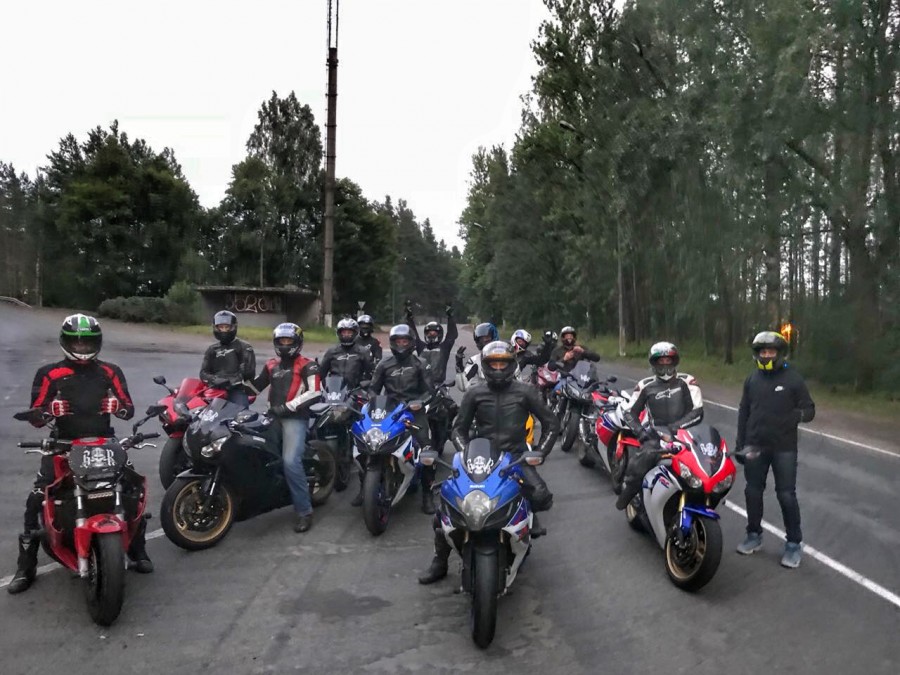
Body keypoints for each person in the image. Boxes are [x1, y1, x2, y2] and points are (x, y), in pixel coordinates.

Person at [8, 314, 151, 595]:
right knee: (38, 497)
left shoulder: (110, 371)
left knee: (132, 488)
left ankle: (138, 549)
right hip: (63, 444)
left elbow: (129, 408)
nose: (83, 348)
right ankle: (26, 566)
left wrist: (117, 407)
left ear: (97, 343)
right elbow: (35, 415)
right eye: (77, 343)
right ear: (66, 342)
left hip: (104, 443)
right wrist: (50, 411)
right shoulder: (49, 373)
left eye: (88, 343)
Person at [418, 341, 560, 585]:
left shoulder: (526, 392)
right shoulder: (475, 393)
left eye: (502, 363)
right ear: (485, 365)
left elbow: (551, 423)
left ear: (511, 364)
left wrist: (540, 452)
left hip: (515, 456)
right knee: (446, 506)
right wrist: (467, 456)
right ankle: (440, 561)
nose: (498, 368)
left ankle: (523, 526)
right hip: (481, 456)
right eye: (493, 364)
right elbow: (458, 430)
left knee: (540, 495)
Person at [734, 331, 815, 568]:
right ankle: (753, 535)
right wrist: (740, 443)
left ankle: (793, 544)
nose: (766, 355)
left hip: (784, 448)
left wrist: (795, 416)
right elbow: (743, 411)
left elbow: (810, 410)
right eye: (763, 351)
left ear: (779, 354)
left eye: (770, 351)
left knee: (786, 495)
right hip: (755, 444)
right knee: (752, 491)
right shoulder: (752, 379)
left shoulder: (793, 379)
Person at [615, 342, 704, 510]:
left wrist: (675, 428)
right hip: (656, 435)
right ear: (654, 363)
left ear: (674, 361)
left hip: (687, 434)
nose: (664, 364)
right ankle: (629, 494)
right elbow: (629, 412)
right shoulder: (645, 385)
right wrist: (641, 433)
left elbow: (697, 411)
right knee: (643, 460)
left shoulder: (688, 381)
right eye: (660, 361)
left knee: (708, 459)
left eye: (668, 360)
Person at [252, 323, 321, 533]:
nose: (284, 344)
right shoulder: (271, 365)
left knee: (290, 462)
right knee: (256, 452)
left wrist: (288, 407)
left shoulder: (308, 365)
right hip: (272, 416)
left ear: (297, 342)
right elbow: (254, 388)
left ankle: (304, 511)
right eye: (281, 341)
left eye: (288, 341)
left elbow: (315, 392)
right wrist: (231, 389)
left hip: (295, 418)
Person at [368, 324, 436, 513]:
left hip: (413, 412)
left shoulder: (421, 363)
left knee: (426, 450)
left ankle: (428, 495)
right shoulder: (383, 364)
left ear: (411, 342)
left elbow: (430, 391)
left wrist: (420, 402)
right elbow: (373, 389)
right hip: (389, 411)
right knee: (370, 442)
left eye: (405, 341)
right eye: (397, 341)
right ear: (392, 342)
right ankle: (364, 488)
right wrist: (371, 401)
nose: (401, 344)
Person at [200, 310, 256, 406]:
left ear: (233, 327)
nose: (224, 330)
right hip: (215, 390)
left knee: (240, 412)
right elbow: (203, 373)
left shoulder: (244, 347)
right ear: (216, 328)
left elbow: (249, 372)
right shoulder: (212, 349)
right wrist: (214, 379)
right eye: (221, 327)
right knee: (200, 411)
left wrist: (230, 381)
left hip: (237, 390)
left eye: (227, 327)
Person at [406, 301, 458, 384]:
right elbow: (412, 334)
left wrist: (450, 316)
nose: (431, 335)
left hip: (439, 385)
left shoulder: (444, 347)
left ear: (439, 334)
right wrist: (409, 317)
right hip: (423, 385)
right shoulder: (421, 347)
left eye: (434, 333)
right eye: (429, 333)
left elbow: (452, 334)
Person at [320, 317, 375, 389]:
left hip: (356, 390)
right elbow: (321, 372)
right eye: (344, 332)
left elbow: (371, 373)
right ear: (339, 333)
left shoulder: (363, 352)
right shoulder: (331, 351)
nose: (346, 335)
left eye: (349, 333)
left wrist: (365, 384)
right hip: (334, 391)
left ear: (355, 333)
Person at [455, 322, 499, 391]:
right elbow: (463, 387)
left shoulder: (506, 357)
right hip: (483, 395)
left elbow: (517, 382)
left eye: (487, 337)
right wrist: (459, 366)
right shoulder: (475, 360)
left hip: (506, 395)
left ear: (493, 336)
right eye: (481, 339)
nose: (485, 340)